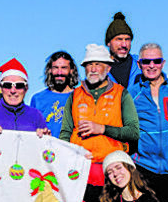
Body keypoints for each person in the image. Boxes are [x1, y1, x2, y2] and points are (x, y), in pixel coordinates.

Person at [59, 43, 139, 193]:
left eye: (98, 64)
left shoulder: (121, 94)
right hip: (80, 168)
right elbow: (65, 133)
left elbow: (133, 132)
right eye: (89, 65)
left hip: (112, 169)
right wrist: (67, 158)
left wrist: (102, 129)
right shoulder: (75, 95)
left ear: (109, 68)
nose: (93, 69)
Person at [127, 42, 168, 202]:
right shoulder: (132, 94)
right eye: (146, 62)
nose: (152, 66)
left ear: (163, 63)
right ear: (139, 64)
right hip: (143, 168)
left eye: (156, 61)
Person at [0, 59, 50, 132]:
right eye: (7, 85)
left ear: (26, 88)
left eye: (19, 85)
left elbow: (47, 145)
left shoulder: (36, 115)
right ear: (1, 88)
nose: (13, 91)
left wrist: (46, 138)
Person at [30, 51, 78, 139]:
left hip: (72, 149)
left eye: (64, 68)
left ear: (71, 70)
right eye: (55, 68)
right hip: (46, 150)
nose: (59, 72)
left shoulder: (80, 97)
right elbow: (31, 130)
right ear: (50, 70)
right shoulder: (38, 99)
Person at [105, 11, 135, 87]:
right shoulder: (98, 69)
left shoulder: (143, 65)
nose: (124, 44)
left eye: (127, 39)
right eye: (119, 39)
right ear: (108, 42)